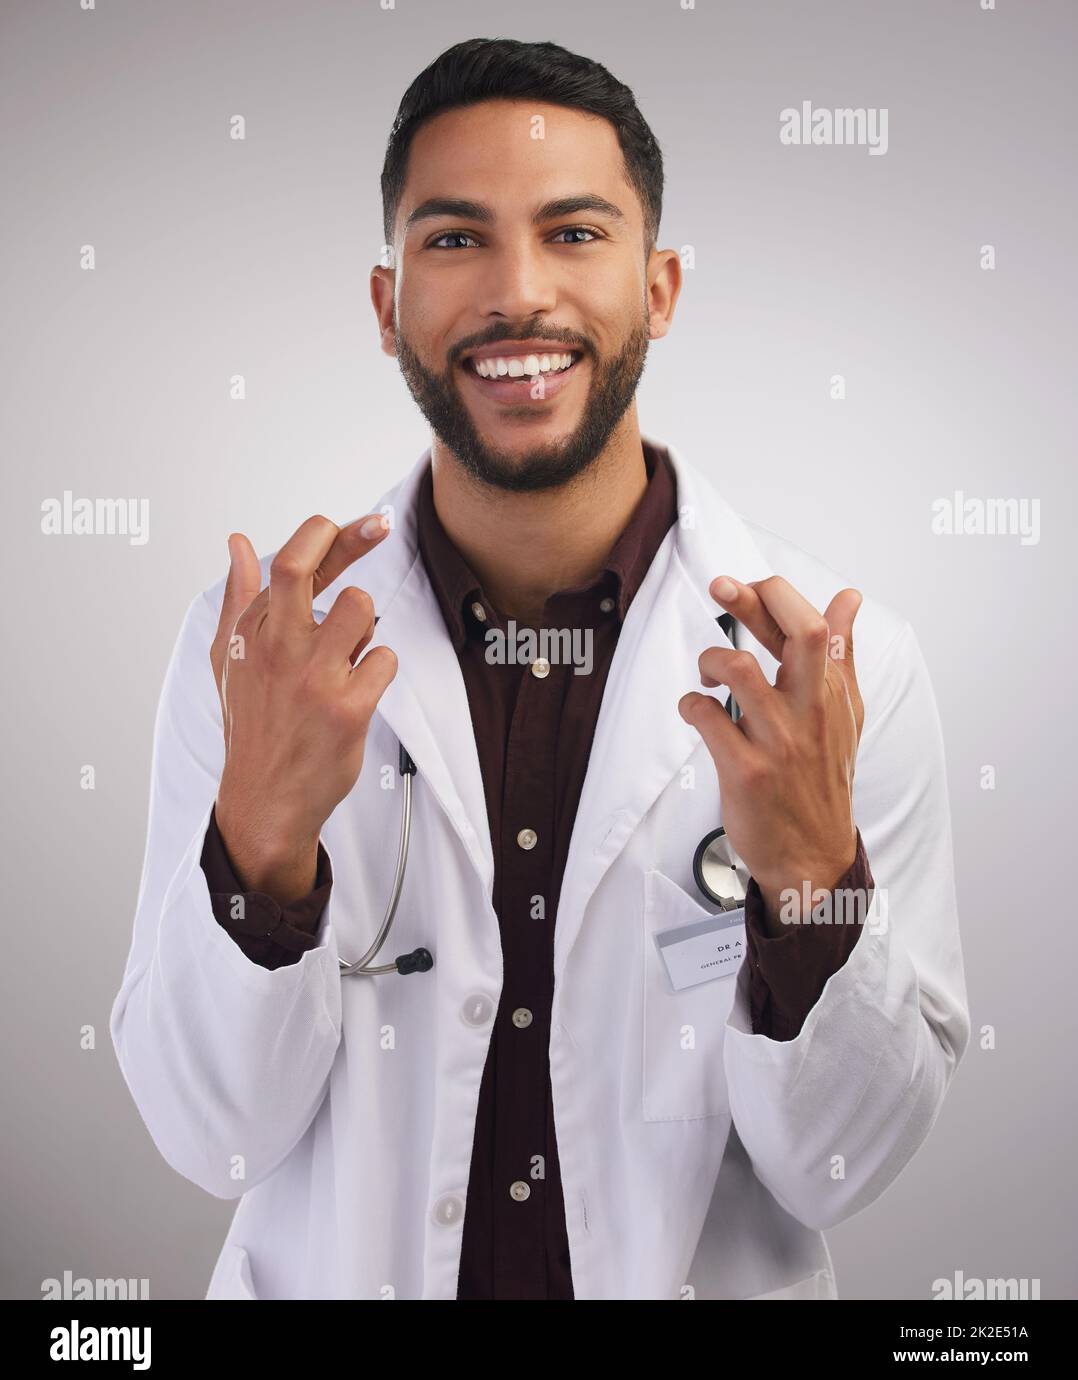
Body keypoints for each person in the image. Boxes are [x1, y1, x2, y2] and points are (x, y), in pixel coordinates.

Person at [110, 37, 969, 1300]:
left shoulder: (842, 671)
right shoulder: (255, 650)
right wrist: (262, 832)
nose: (518, 293)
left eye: (574, 233)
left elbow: (838, 1164)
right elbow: (207, 1131)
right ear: (385, 300)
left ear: (661, 286)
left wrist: (812, 886)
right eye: (454, 240)